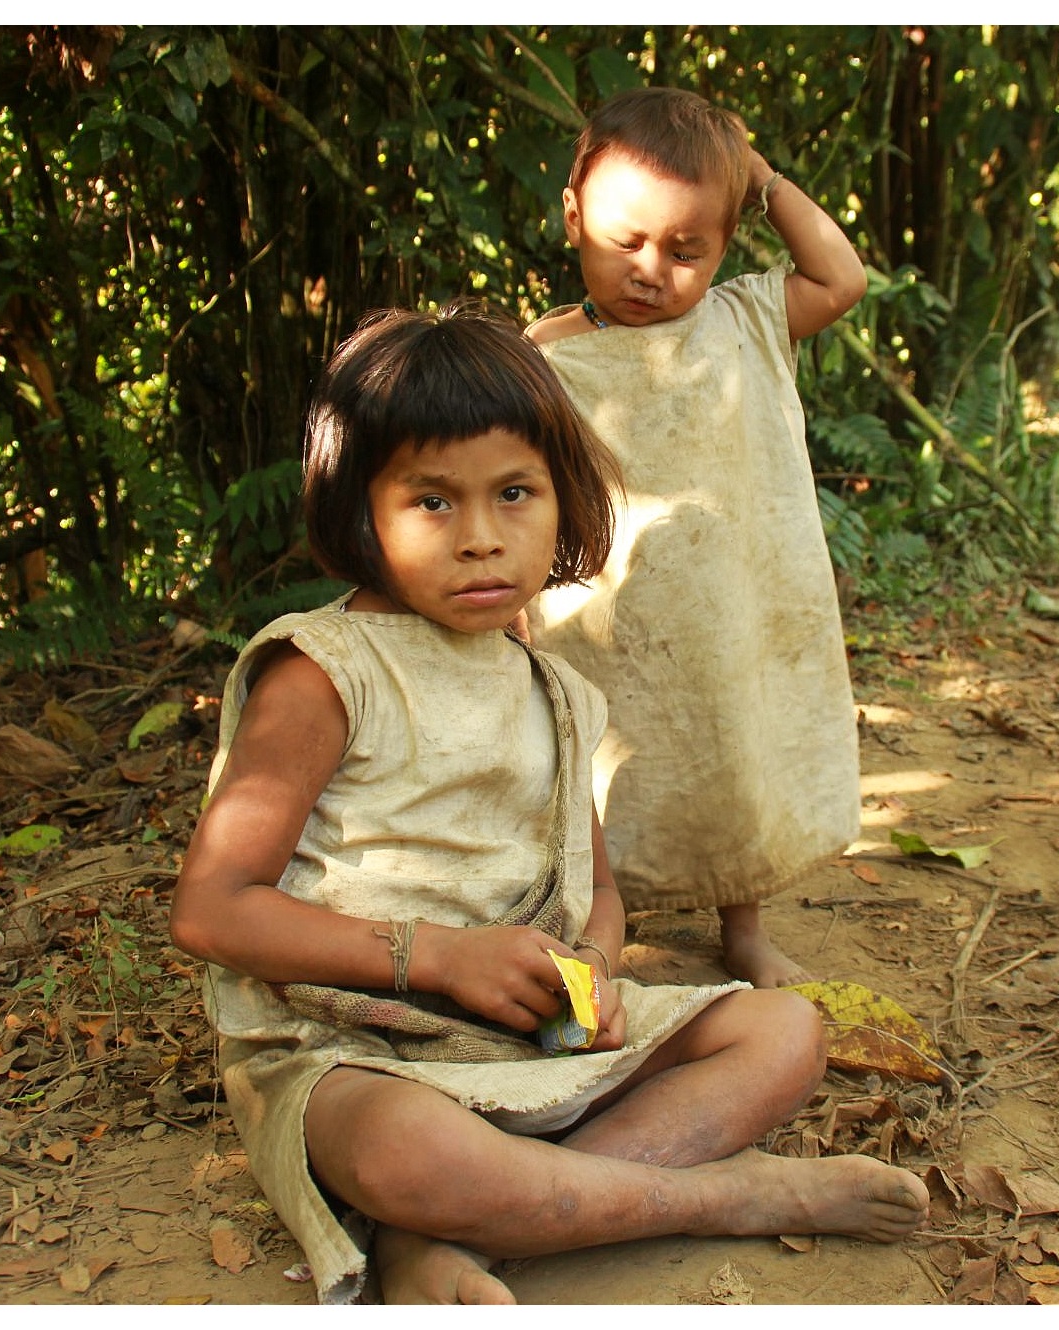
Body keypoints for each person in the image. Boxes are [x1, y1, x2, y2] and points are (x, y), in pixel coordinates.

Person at [169, 303, 927, 1304]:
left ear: (562, 502)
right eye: (431, 503)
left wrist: (596, 971)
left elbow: (598, 889)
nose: (480, 538)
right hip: (356, 1050)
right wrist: (435, 957)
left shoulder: (556, 691)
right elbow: (210, 909)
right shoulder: (324, 672)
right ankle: (716, 1196)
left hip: (528, 1038)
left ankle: (439, 1238)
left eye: (513, 493)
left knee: (782, 1032)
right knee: (407, 1150)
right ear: (359, 510)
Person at [528, 86, 868, 990]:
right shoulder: (540, 357)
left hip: (729, 613)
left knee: (726, 756)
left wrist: (764, 182)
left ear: (726, 242)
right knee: (603, 769)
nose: (653, 270)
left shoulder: (747, 319)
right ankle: (608, 926)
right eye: (625, 242)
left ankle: (742, 927)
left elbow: (842, 279)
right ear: (572, 219)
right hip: (595, 620)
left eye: (688, 249)